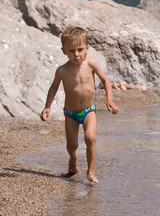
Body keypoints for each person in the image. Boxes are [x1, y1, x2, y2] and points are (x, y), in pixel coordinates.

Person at [40, 26, 119, 184]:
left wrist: (110, 99)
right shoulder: (62, 70)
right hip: (70, 114)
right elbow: (54, 87)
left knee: (90, 137)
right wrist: (47, 106)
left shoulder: (91, 64)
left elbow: (105, 80)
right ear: (64, 51)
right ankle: (73, 158)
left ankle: (90, 171)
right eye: (71, 51)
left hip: (89, 111)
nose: (76, 54)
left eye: (80, 49)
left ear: (87, 48)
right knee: (72, 145)